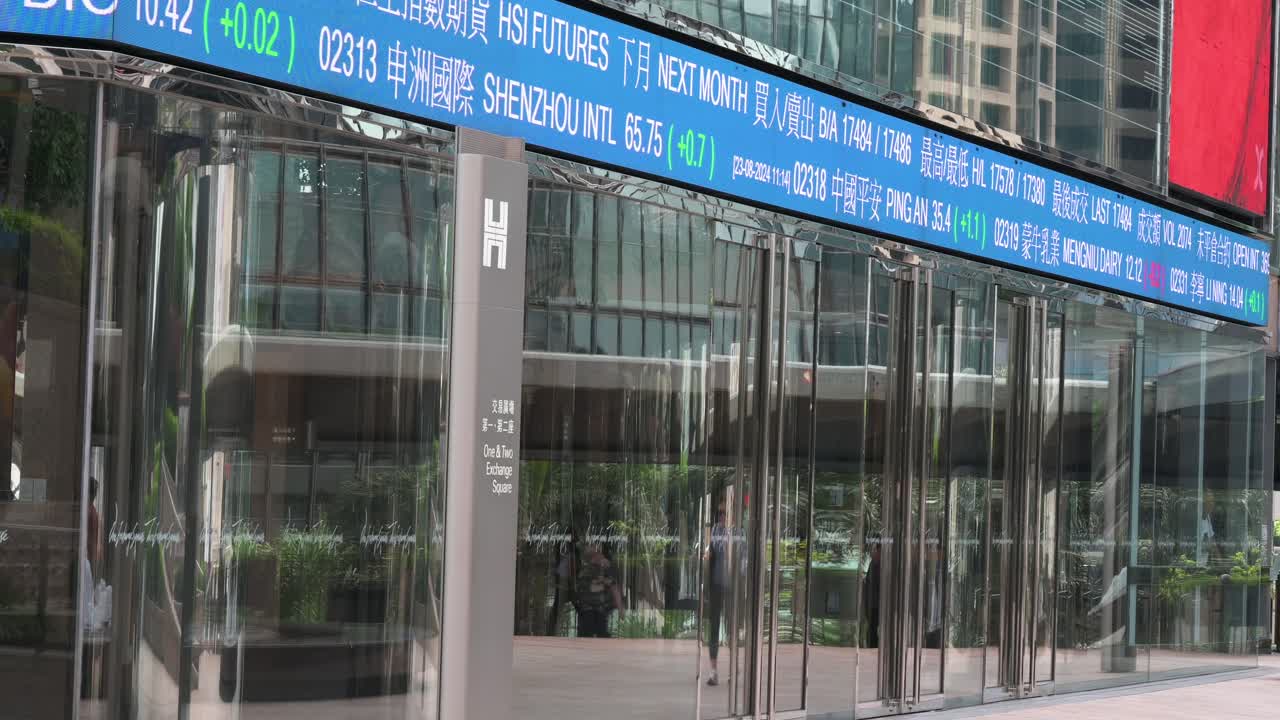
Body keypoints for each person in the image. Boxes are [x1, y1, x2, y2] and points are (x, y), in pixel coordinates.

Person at [704, 494, 732, 686]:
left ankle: (733, 668)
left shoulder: (737, 532)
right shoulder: (714, 531)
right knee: (714, 628)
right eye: (719, 513)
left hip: (730, 587)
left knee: (732, 629)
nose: (722, 517)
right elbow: (709, 553)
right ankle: (713, 671)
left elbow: (743, 560)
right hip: (715, 586)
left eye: (725, 513)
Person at [573, 543, 623, 638]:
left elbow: (614, 588)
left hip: (602, 610)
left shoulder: (608, 570)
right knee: (588, 633)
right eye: (600, 557)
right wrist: (604, 583)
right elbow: (591, 588)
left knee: (602, 633)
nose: (604, 561)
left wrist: (620, 608)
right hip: (588, 610)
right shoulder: (586, 571)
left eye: (605, 560)